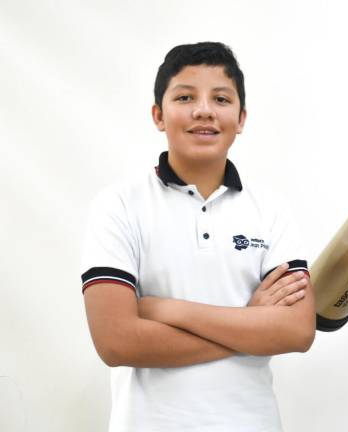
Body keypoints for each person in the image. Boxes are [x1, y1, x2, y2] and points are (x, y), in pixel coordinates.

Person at [80, 42, 315, 432]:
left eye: (220, 98)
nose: (204, 109)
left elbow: (297, 331)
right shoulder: (118, 206)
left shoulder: (271, 209)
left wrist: (168, 310)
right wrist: (252, 325)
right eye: (185, 96)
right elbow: (116, 342)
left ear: (241, 118)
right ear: (158, 115)